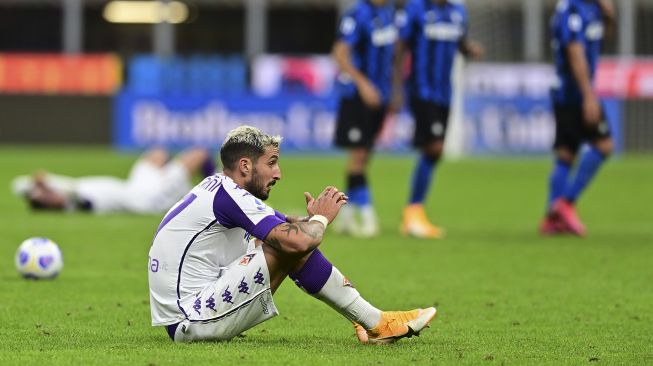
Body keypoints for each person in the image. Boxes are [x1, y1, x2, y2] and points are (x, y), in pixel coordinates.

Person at [147, 125, 436, 344]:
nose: (278, 173)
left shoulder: (222, 189)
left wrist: (310, 221)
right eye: (271, 162)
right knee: (289, 244)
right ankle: (376, 322)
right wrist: (321, 218)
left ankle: (371, 320)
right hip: (191, 319)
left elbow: (288, 226)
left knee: (285, 239)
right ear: (246, 166)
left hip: (186, 313)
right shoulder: (229, 196)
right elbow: (296, 240)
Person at [394, 0, 483, 239]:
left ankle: (414, 212)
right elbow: (401, 46)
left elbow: (460, 42)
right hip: (422, 90)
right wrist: (396, 87)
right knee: (434, 147)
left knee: (435, 150)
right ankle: (413, 212)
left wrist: (469, 49)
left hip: (445, 93)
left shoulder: (457, 11)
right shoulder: (415, 9)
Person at [540, 0, 615, 236]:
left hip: (573, 93)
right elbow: (574, 51)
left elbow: (601, 38)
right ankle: (565, 204)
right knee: (603, 145)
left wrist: (608, 16)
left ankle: (552, 219)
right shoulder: (571, 9)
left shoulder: (592, 8)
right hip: (572, 93)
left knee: (566, 154)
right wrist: (588, 96)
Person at [331, 0, 398, 237]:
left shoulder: (388, 12)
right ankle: (368, 216)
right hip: (356, 97)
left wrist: (394, 91)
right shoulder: (357, 14)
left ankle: (346, 217)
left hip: (379, 96)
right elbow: (339, 53)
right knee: (358, 156)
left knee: (363, 157)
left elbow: (394, 54)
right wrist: (363, 85)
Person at [11, 147, 215, 214]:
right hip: (147, 198)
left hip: (135, 185)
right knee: (199, 153)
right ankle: (215, 194)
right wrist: (44, 183)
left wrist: (37, 185)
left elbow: (19, 184)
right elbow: (66, 193)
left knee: (156, 153)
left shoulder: (69, 190)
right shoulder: (77, 200)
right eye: (45, 198)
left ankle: (187, 188)